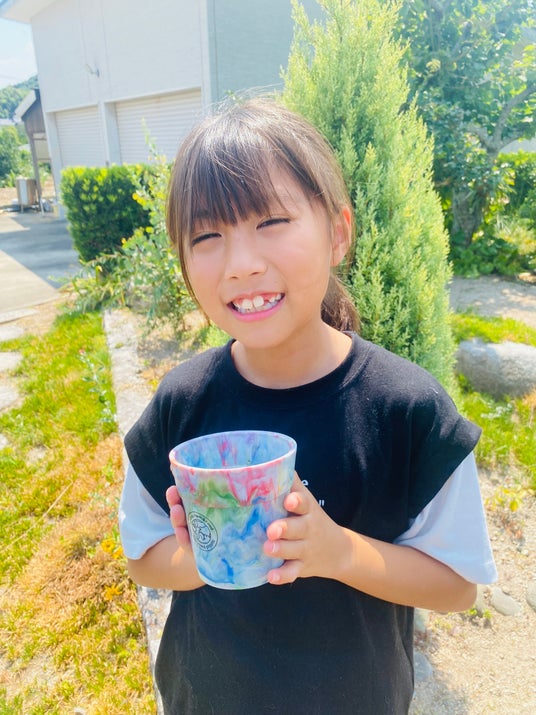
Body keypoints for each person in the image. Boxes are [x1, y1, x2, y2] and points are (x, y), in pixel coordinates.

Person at [119, 98, 497, 714]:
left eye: (271, 221)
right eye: (207, 236)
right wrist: (204, 554)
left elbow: (457, 586)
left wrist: (337, 552)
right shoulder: (180, 403)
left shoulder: (406, 410)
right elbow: (144, 558)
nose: (242, 265)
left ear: (337, 233)